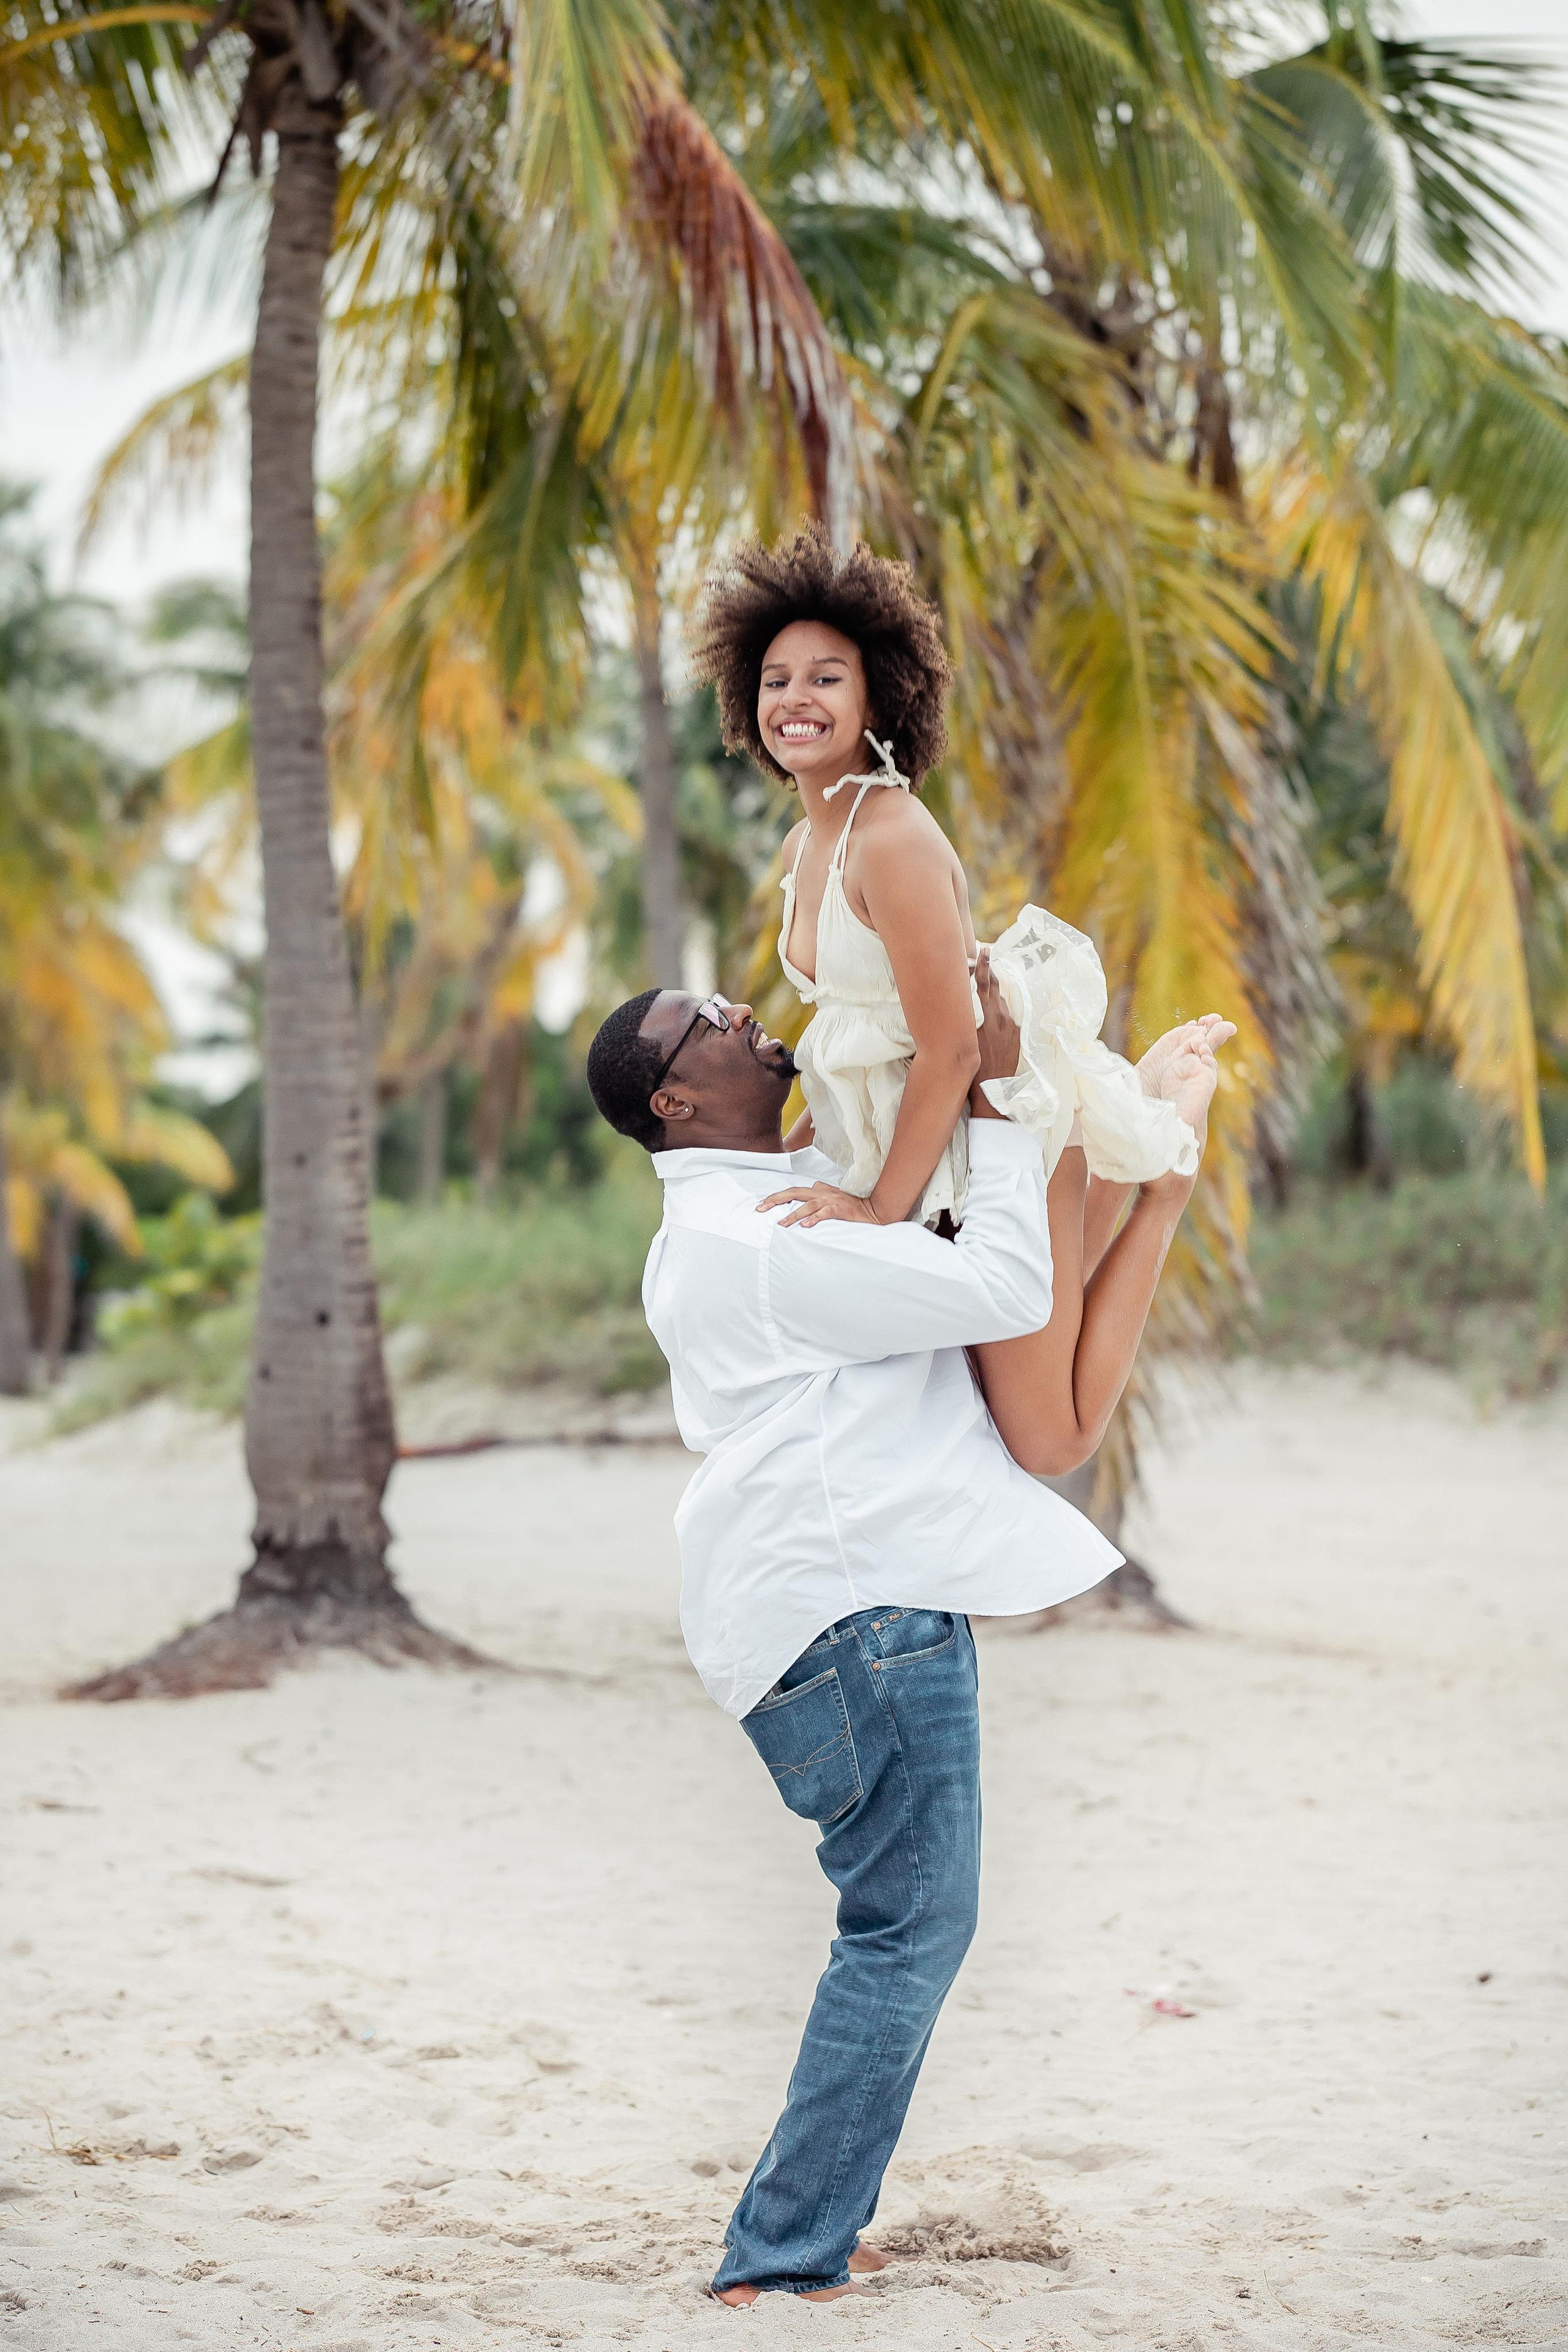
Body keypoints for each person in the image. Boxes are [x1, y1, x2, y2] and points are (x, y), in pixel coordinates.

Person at [584, 963, 1229, 2302]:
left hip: (824, 1607)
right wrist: (998, 1091)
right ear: (675, 1097)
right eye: (701, 1022)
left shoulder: (749, 1216)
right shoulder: (764, 1237)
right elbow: (997, 1287)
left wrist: (1097, 1120)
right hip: (848, 1613)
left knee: (900, 1921)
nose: (737, 1011)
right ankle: (781, 2254)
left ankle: (798, 2231)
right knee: (907, 1925)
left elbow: (985, 1294)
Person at [688, 527, 1212, 1245]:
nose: (793, 698)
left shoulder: (891, 837)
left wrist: (877, 1210)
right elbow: (853, 1035)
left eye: (826, 678)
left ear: (876, 702)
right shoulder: (803, 844)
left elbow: (953, 1051)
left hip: (996, 1117)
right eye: (774, 680)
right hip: (902, 1140)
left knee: (1061, 1367)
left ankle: (1167, 1163)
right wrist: (796, 1157)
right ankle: (1141, 1118)